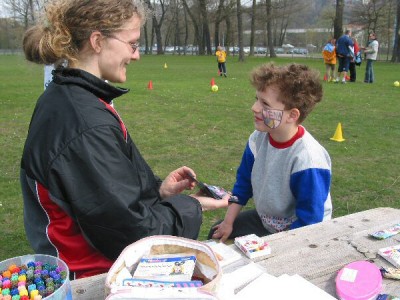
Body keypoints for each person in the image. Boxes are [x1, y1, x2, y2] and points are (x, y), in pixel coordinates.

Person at [21, 0, 228, 279]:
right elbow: (133, 235)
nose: (137, 55)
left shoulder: (76, 99)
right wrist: (194, 205)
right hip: (93, 279)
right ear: (97, 41)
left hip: (103, 268)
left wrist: (159, 192)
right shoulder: (84, 122)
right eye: (132, 44)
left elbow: (108, 196)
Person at [209, 63, 332, 242]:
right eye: (256, 99)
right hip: (267, 222)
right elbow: (243, 184)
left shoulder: (308, 159)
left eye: (265, 104)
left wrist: (270, 246)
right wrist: (228, 222)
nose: (255, 107)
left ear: (292, 115)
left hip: (301, 233)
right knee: (216, 232)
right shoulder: (257, 139)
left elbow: (310, 221)